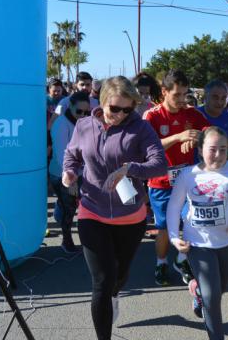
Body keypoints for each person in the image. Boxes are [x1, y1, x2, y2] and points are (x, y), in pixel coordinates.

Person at [62, 76, 167, 340]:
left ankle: (115, 293)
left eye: (127, 109)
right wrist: (69, 172)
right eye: (114, 108)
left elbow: (160, 164)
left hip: (129, 215)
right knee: (102, 281)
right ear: (102, 102)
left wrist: (130, 169)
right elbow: (72, 154)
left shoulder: (140, 129)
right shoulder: (85, 125)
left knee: (119, 276)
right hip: (91, 210)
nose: (120, 114)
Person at [168, 127, 228, 337]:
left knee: (218, 292)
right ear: (200, 149)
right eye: (212, 149)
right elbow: (174, 207)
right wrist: (174, 238)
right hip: (197, 244)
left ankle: (197, 291)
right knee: (212, 298)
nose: (217, 155)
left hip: (227, 243)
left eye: (223, 149)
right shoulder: (187, 175)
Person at [144, 69, 210, 286]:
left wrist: (200, 136)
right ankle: (160, 262)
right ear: (164, 92)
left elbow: (212, 132)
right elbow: (146, 146)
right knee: (164, 228)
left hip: (187, 181)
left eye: (184, 94)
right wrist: (177, 137)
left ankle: (181, 260)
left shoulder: (192, 114)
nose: (182, 99)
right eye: (177, 95)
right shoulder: (152, 116)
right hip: (160, 182)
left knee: (192, 220)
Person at [49, 91, 90, 253]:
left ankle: (59, 215)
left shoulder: (85, 123)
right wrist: (71, 179)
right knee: (69, 209)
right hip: (62, 174)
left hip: (80, 172)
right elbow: (61, 154)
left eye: (86, 112)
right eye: (79, 111)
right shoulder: (61, 124)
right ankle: (66, 241)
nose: (83, 115)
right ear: (70, 107)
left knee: (68, 205)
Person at [198, 80, 228, 161]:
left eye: (223, 98)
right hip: (198, 170)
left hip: (222, 168)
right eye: (215, 97)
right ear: (206, 97)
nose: (219, 102)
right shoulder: (194, 114)